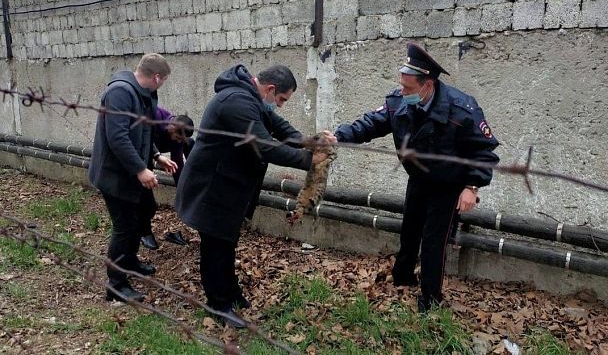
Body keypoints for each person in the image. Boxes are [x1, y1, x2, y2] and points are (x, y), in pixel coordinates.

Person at [335, 42, 499, 312]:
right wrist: (339, 136)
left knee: (435, 242)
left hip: (448, 186)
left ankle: (430, 300)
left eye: (409, 88)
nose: (403, 91)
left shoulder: (461, 110)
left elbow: (483, 150)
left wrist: (472, 186)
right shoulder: (399, 101)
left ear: (428, 85)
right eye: (402, 85)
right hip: (419, 179)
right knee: (410, 230)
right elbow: (371, 124)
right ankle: (403, 277)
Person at [175, 64, 334, 328]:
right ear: (271, 89)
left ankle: (230, 292)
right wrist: (308, 160)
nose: (280, 105)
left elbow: (280, 128)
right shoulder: (237, 102)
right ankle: (218, 304)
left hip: (226, 185)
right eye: (281, 99)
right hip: (211, 187)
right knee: (215, 247)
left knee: (226, 241)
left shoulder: (250, 98)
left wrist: (309, 142)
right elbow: (264, 146)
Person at [88, 53, 178, 302]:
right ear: (156, 77)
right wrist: (141, 169)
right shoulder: (120, 94)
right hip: (114, 176)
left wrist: (157, 156)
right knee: (125, 227)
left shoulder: (144, 95)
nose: (162, 85)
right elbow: (118, 137)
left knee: (145, 210)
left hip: (132, 173)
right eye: (163, 81)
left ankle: (130, 262)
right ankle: (116, 286)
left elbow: (141, 133)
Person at [140, 108, 194, 250]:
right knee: (146, 197)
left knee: (191, 143)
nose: (178, 141)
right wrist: (156, 155)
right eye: (178, 138)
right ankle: (144, 232)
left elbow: (177, 163)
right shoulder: (155, 115)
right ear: (172, 128)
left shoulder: (177, 137)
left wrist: (182, 192)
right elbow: (142, 137)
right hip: (140, 150)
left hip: (154, 151)